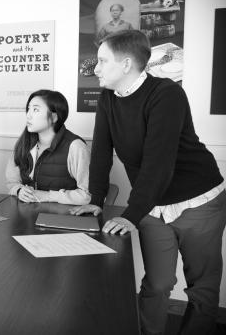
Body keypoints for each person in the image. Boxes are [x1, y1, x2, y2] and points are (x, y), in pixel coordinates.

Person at [71, 30, 225, 335]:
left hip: (199, 200)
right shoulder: (107, 98)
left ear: (126, 64)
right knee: (157, 283)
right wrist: (95, 200)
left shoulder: (166, 94)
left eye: (102, 61)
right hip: (153, 204)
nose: (96, 68)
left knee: (201, 287)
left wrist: (130, 215)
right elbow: (101, 153)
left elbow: (159, 163)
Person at [5, 90, 91, 205]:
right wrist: (19, 190)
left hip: (62, 218)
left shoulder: (76, 147)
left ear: (54, 117)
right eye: (28, 109)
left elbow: (87, 195)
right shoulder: (24, 143)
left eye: (35, 110)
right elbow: (12, 182)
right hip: (28, 214)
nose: (28, 115)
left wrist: (48, 196)